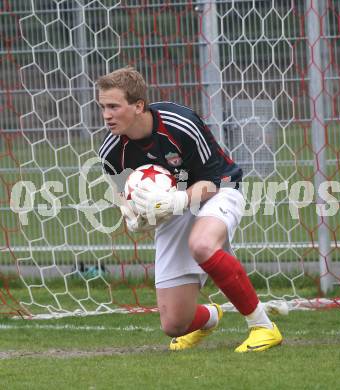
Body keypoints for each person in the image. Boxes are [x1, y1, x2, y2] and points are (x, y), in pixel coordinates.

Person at [97, 66, 283, 352]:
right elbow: (122, 194)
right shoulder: (110, 150)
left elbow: (215, 179)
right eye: (102, 107)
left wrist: (179, 200)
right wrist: (132, 215)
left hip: (218, 191)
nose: (106, 115)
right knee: (173, 324)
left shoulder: (179, 123)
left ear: (138, 105)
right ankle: (211, 317)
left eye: (113, 106)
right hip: (173, 209)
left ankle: (263, 327)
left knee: (202, 245)